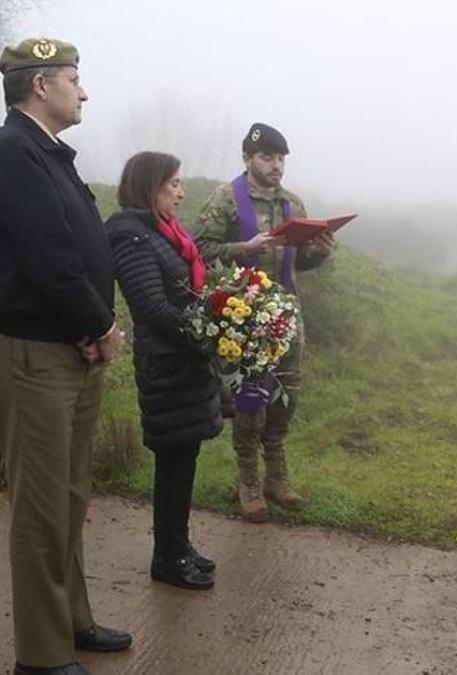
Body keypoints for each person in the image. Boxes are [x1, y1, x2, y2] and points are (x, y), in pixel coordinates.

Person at [0, 37, 131, 675]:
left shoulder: (49, 155)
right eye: (74, 78)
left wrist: (88, 331)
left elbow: (71, 247)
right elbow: (48, 258)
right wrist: (99, 323)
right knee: (40, 507)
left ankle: (71, 620)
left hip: (69, 348)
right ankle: (41, 657)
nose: (83, 90)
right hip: (33, 354)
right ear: (41, 85)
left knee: (69, 494)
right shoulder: (11, 152)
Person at [195, 123, 334, 523]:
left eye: (280, 158)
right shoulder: (227, 199)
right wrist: (245, 248)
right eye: (267, 158)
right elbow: (200, 251)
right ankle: (249, 481)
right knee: (251, 397)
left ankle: (277, 476)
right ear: (247, 159)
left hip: (288, 312)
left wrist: (320, 252)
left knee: (288, 393)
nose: (276, 166)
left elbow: (300, 259)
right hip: (245, 314)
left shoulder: (292, 204)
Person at [104, 152, 222, 590]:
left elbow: (186, 290)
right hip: (167, 365)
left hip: (185, 362)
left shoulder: (165, 233)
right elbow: (151, 307)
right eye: (173, 183)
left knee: (183, 457)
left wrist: (221, 311)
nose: (180, 191)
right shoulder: (131, 236)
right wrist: (210, 327)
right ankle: (167, 557)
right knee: (173, 459)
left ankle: (178, 544)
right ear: (149, 186)